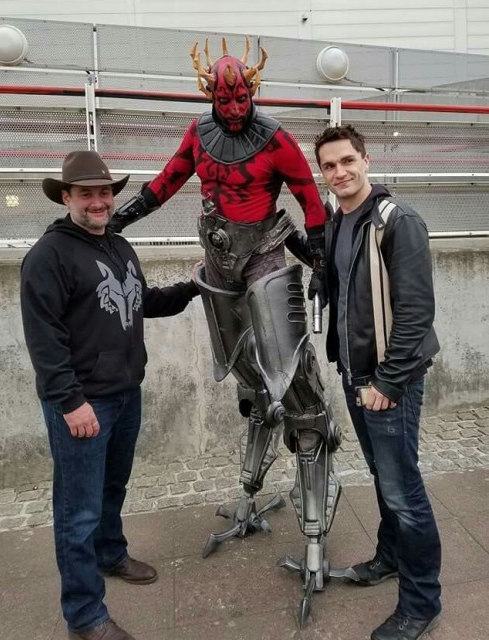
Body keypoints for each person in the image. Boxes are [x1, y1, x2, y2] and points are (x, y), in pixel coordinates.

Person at [109, 38, 341, 626]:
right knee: (249, 386)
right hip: (216, 265)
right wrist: (120, 217)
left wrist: (320, 261)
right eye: (226, 95)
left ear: (253, 91)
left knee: (296, 394)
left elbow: (310, 199)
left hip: (264, 257)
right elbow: (164, 183)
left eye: (243, 96)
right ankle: (248, 495)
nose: (235, 106)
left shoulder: (278, 139)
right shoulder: (196, 134)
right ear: (210, 91)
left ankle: (314, 529)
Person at [20, 150, 200, 640]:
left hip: (125, 393)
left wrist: (195, 286)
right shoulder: (48, 256)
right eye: (86, 193)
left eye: (104, 192)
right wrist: (70, 402)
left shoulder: (119, 246)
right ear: (66, 197)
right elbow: (44, 338)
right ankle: (85, 615)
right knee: (76, 510)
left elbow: (142, 303)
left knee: (111, 490)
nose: (98, 201)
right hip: (83, 402)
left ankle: (109, 553)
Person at [314, 124, 442, 640]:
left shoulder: (398, 221)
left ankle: (421, 602)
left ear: (366, 160)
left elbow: (415, 313)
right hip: (357, 375)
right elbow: (343, 285)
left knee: (403, 489)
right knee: (383, 478)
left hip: (392, 381)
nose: (340, 172)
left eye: (348, 161)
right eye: (329, 166)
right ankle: (389, 558)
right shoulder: (338, 222)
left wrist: (386, 385)